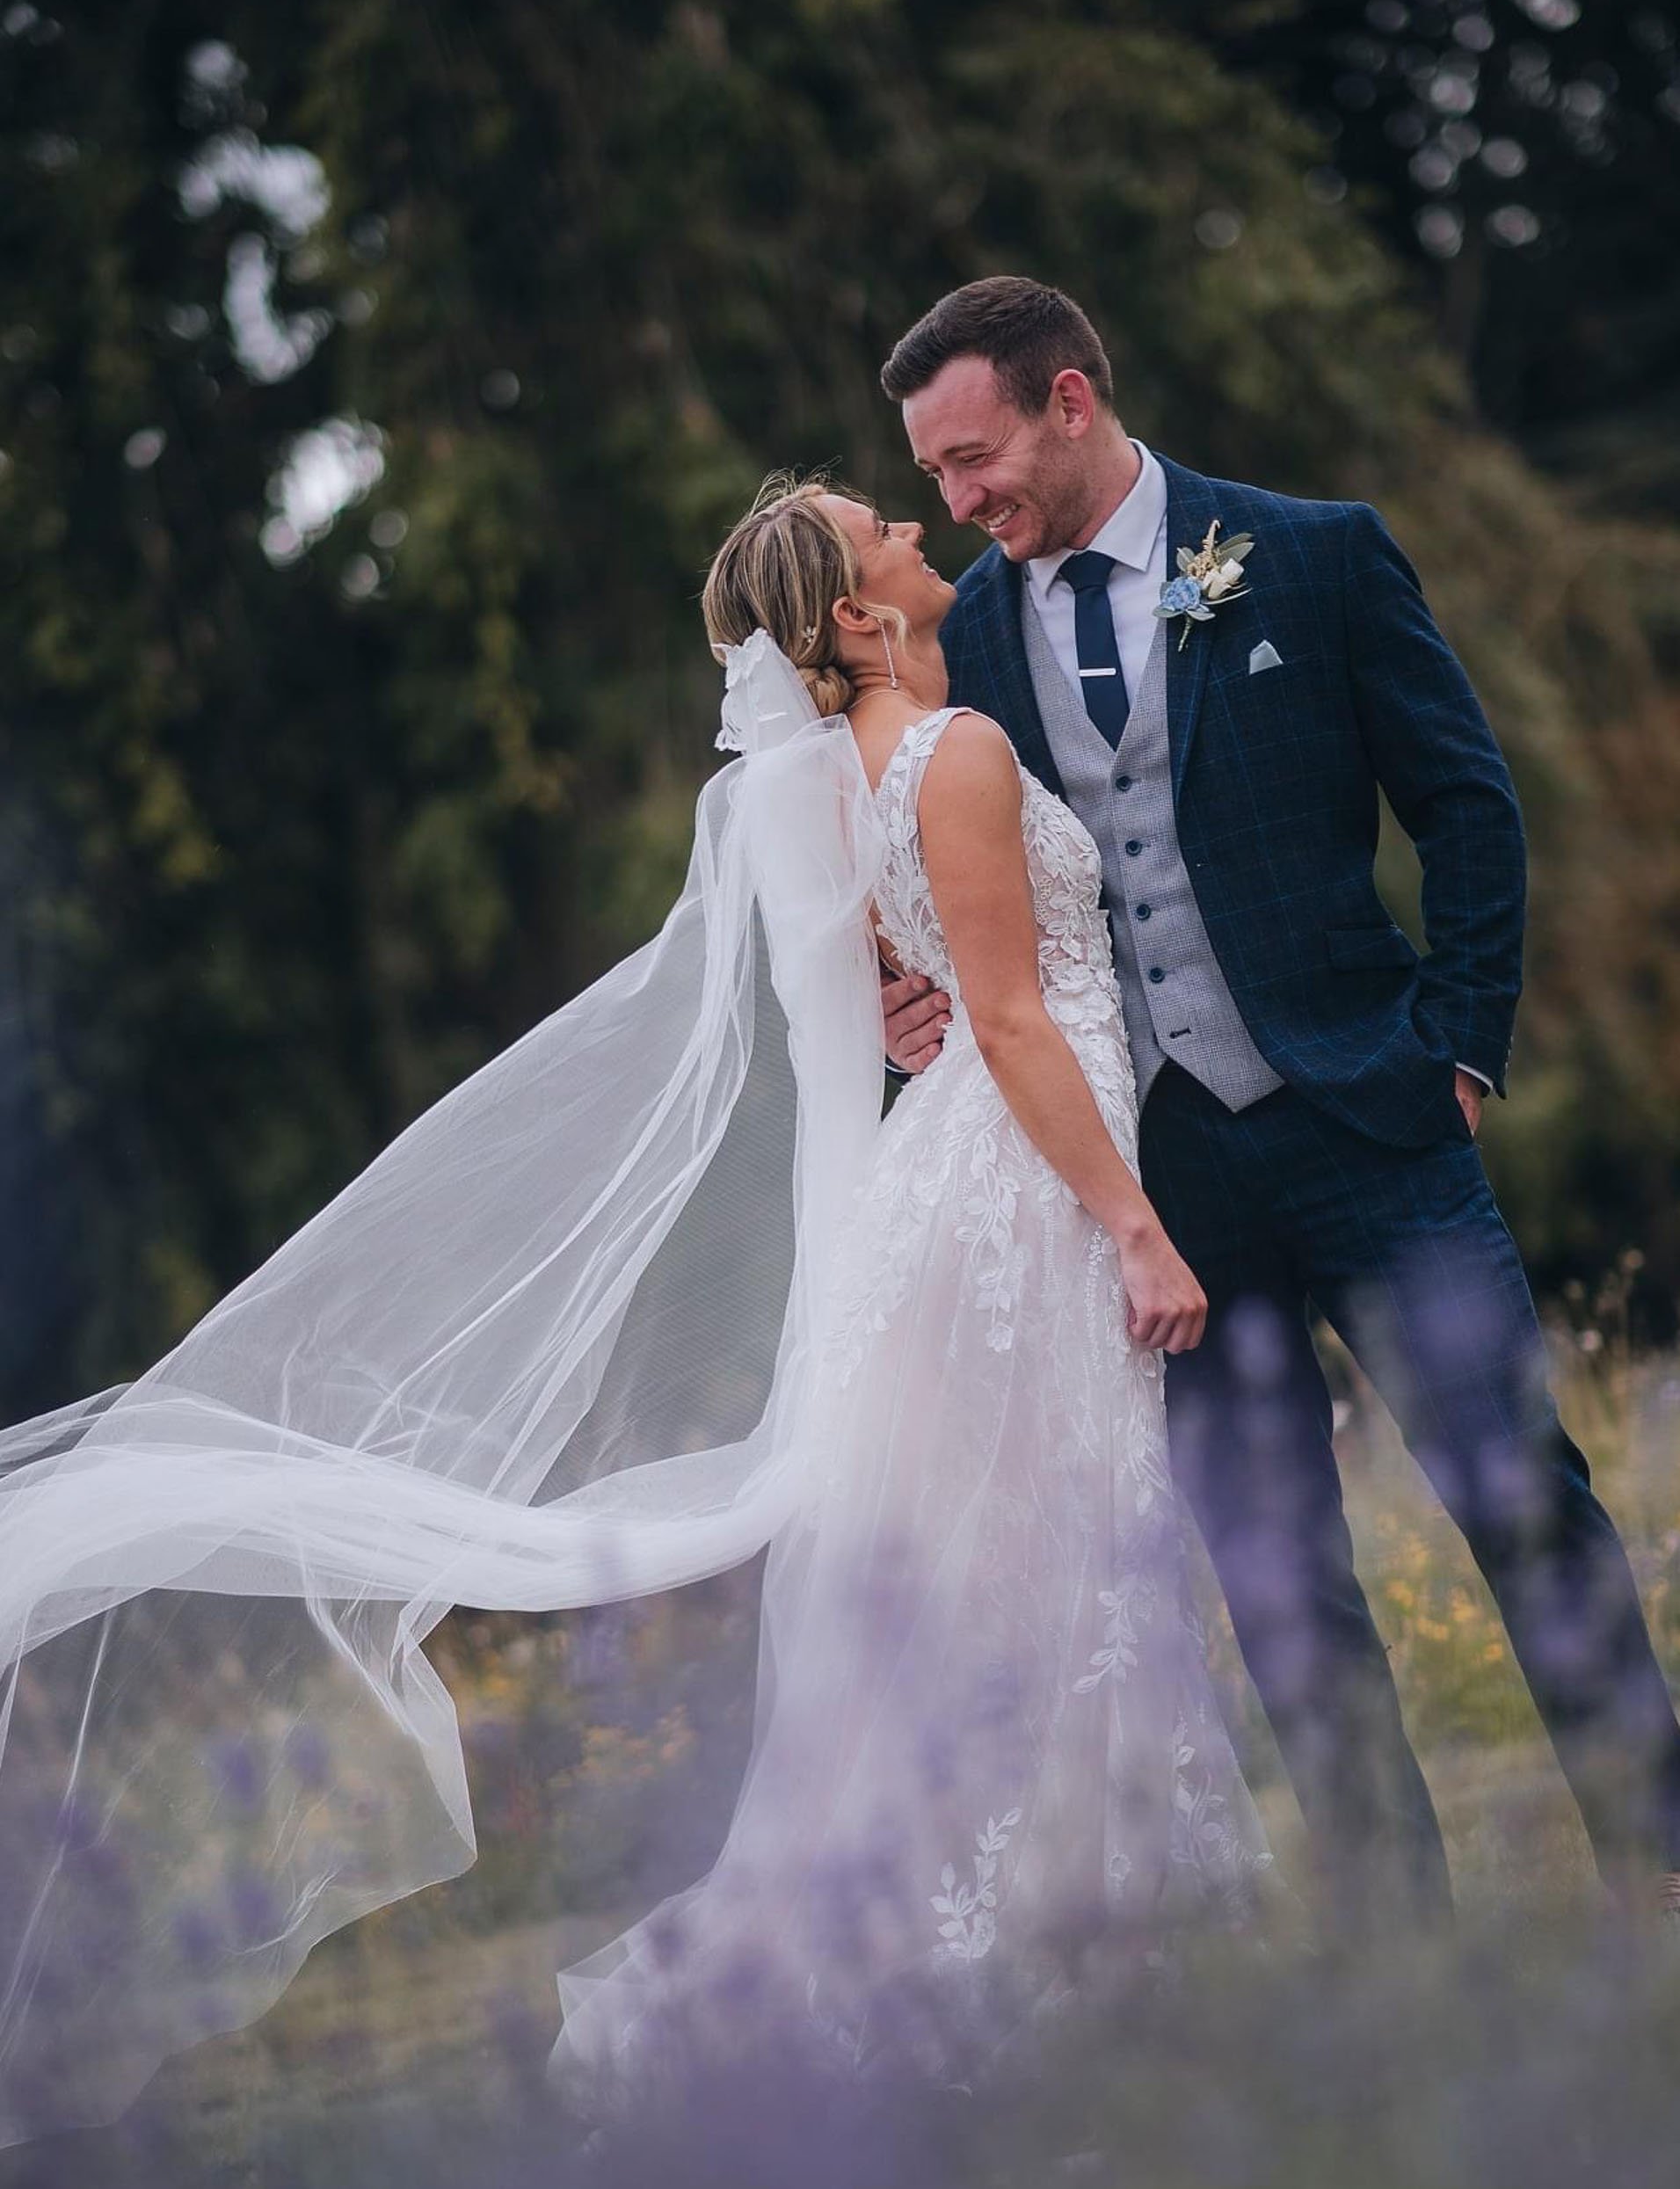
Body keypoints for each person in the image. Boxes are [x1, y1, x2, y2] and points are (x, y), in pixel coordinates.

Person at [0, 473, 1267, 2147]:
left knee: (1003, 1563)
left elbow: (935, 994)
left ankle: (1052, 1927)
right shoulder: (947, 757)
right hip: (1020, 1188)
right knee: (1028, 1557)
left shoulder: (855, 774)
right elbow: (1016, 1023)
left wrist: (933, 1013)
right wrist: (1135, 1228)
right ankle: (1028, 1946)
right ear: (856, 614)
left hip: (972, 1169)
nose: (909, 522)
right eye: (884, 524)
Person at [876, 274, 1680, 1928]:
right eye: (936, 476)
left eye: (974, 459)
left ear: (1071, 402)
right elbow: (973, 895)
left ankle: (1661, 1859)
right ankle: (1399, 1931)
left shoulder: (1310, 553)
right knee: (1277, 1571)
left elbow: (1467, 806)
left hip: (1378, 1125)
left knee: (1520, 1489)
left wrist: (1458, 1046)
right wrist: (920, 1002)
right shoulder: (969, 640)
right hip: (1164, 1189)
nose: (957, 505)